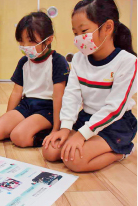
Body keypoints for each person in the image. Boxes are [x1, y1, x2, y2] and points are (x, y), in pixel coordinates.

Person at [43, 0, 137, 172]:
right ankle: (91, 141)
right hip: (87, 118)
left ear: (108, 27)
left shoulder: (127, 62)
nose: (79, 38)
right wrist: (65, 127)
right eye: (75, 33)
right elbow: (71, 95)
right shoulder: (79, 59)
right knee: (50, 151)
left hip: (116, 123)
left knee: (74, 161)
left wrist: (81, 135)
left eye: (84, 31)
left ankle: (123, 151)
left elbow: (115, 108)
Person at [0, 11, 69, 147]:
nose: (25, 46)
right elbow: (16, 92)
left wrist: (57, 128)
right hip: (26, 105)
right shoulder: (24, 62)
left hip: (47, 108)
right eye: (21, 41)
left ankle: (43, 133)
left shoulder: (58, 61)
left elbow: (58, 97)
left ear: (49, 40)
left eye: (31, 41)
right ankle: (26, 128)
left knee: (19, 137)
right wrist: (8, 118)